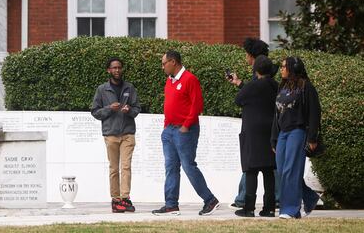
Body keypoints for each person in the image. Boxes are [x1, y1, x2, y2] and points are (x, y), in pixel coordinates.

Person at [152, 50, 220, 216]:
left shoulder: (190, 79)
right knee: (170, 167)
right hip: (169, 131)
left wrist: (186, 125)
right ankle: (171, 205)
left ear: (173, 62)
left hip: (185, 130)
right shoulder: (170, 81)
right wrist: (166, 127)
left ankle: (210, 200)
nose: (162, 67)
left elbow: (197, 105)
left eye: (164, 63)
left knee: (188, 166)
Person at [227, 38, 281, 209]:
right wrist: (241, 83)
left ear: (253, 59)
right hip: (271, 130)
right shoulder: (276, 84)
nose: (246, 58)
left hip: (254, 132)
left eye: (247, 55)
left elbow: (242, 98)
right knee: (269, 169)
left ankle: (246, 204)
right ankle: (270, 206)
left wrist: (242, 86)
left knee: (251, 168)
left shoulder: (255, 81)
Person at [272, 56, 321, 219]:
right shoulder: (283, 86)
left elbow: (315, 113)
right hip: (283, 134)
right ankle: (310, 197)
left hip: (298, 132)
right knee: (282, 170)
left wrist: (312, 138)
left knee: (290, 171)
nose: (281, 69)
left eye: (284, 67)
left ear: (293, 68)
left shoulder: (306, 87)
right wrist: (274, 138)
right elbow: (276, 114)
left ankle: (290, 210)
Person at [91, 57, 141, 213]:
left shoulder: (130, 88)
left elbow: (137, 108)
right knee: (114, 168)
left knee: (126, 166)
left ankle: (125, 198)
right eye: (114, 68)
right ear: (109, 70)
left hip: (127, 133)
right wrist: (109, 108)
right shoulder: (102, 89)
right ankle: (115, 199)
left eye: (119, 67)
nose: (117, 70)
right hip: (111, 134)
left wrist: (130, 110)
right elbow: (95, 112)